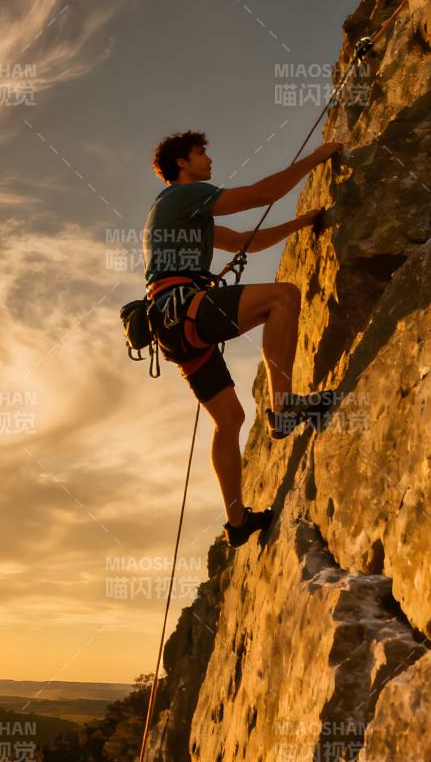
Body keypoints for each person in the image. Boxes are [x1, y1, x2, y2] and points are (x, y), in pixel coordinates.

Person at [140, 130, 340, 548]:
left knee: (229, 420)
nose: (209, 159)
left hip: (172, 328)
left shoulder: (181, 214)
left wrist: (302, 222)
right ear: (182, 163)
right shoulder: (183, 197)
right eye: (201, 153)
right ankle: (284, 406)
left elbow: (246, 242)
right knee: (283, 297)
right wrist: (318, 157)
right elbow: (261, 194)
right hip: (186, 310)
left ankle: (237, 523)